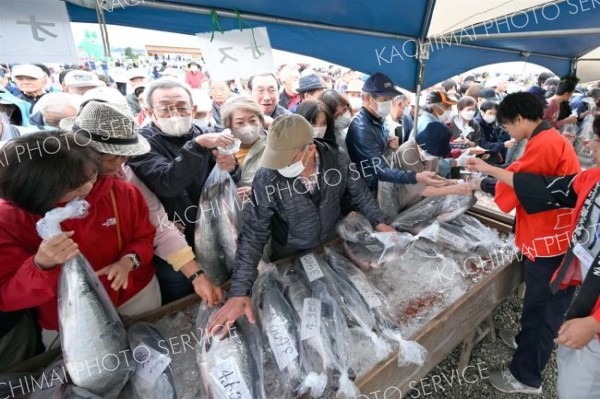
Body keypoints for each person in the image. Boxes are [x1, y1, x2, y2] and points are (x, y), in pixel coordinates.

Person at [206, 115, 396, 335]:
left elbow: (360, 194)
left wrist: (381, 224)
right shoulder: (266, 177)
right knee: (305, 304)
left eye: (287, 159)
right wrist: (239, 291)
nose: (279, 166)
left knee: (336, 296)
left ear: (310, 149)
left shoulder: (337, 159)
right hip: (289, 248)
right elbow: (254, 232)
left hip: (327, 240)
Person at [468, 116, 600, 399]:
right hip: (577, 274)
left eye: (596, 140)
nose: (588, 144)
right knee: (543, 313)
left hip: (559, 258)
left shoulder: (546, 142)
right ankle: (526, 344)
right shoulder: (593, 178)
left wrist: (595, 322)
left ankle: (527, 377)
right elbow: (541, 187)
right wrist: (488, 172)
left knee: (546, 318)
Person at [0, 129, 161, 350]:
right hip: (69, 316)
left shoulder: (122, 193)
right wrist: (41, 265)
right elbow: (8, 294)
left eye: (91, 176)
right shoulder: (9, 220)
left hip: (134, 293)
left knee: (150, 353)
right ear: (40, 189)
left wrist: (128, 261)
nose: (88, 188)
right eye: (75, 186)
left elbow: (144, 236)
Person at [61, 99, 222, 306]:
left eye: (125, 157)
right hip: (72, 298)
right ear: (84, 153)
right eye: (112, 158)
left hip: (135, 286)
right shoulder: (50, 188)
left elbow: (159, 225)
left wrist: (197, 275)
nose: (121, 164)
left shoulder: (124, 179)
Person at [127, 78, 238, 247]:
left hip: (216, 226)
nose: (175, 114)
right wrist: (197, 146)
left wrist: (232, 168)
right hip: (174, 234)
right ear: (149, 113)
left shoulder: (208, 133)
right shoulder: (140, 144)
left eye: (181, 107)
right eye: (165, 109)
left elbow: (229, 179)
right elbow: (166, 183)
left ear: (193, 110)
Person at [346, 73, 446, 193]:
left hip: (380, 184)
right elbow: (378, 169)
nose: (388, 103)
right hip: (367, 189)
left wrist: (390, 147)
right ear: (367, 99)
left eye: (390, 99)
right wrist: (416, 176)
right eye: (384, 99)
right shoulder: (361, 128)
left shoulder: (378, 118)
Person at [414, 91, 470, 178]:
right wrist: (457, 162)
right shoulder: (429, 124)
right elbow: (431, 159)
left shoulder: (431, 121)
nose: (449, 109)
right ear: (435, 106)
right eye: (446, 106)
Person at [220, 95, 267, 189]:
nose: (248, 126)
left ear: (261, 121)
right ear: (229, 125)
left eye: (252, 120)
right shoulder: (221, 148)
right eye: (240, 122)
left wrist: (257, 192)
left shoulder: (273, 146)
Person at [475, 100, 513, 165]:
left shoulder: (490, 123)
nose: (492, 116)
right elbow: (483, 145)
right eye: (490, 113)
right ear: (482, 112)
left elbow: (495, 139)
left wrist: (497, 152)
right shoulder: (476, 124)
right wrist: (503, 145)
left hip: (489, 154)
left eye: (495, 114)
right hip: (479, 156)